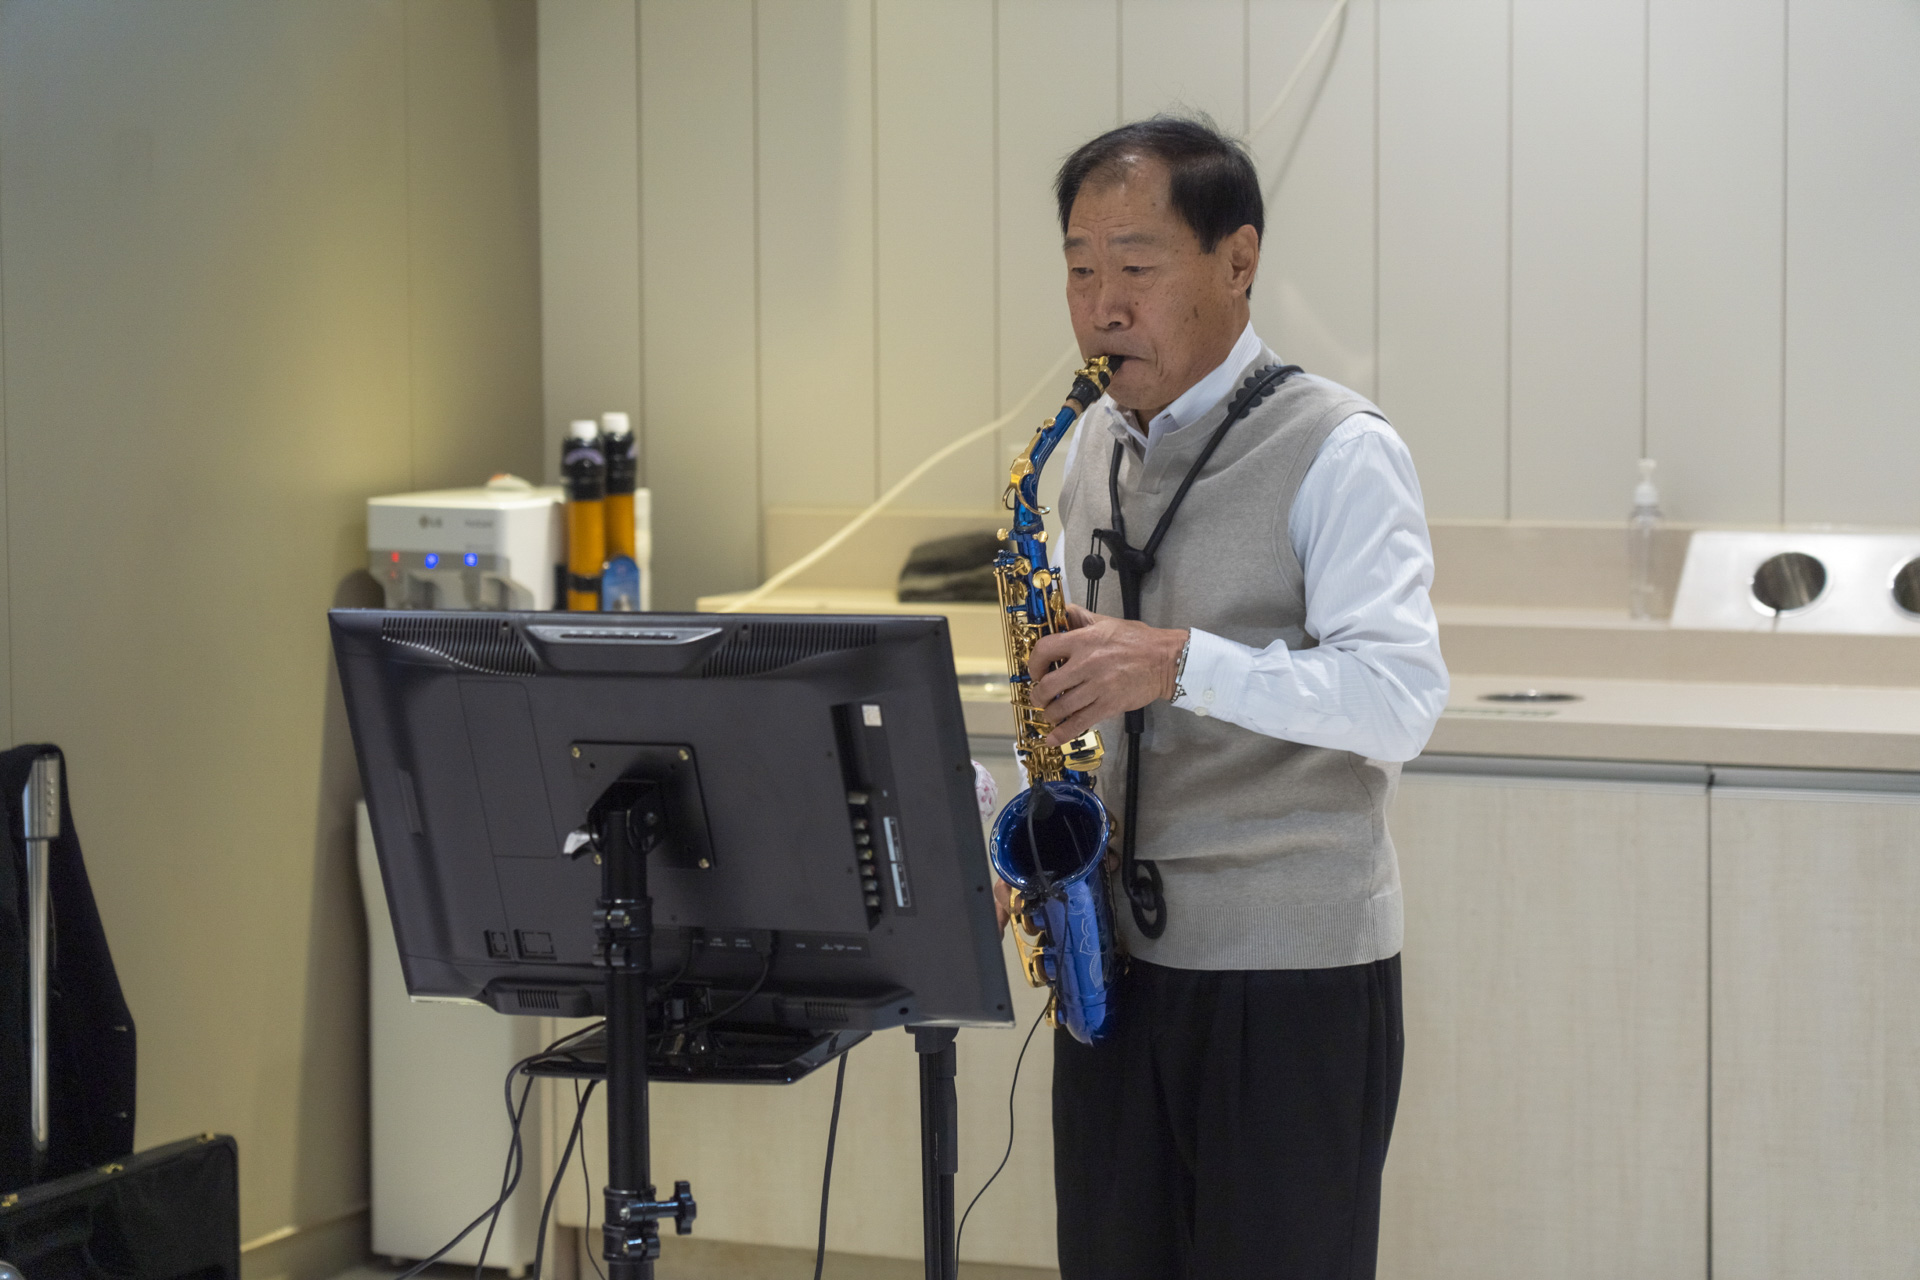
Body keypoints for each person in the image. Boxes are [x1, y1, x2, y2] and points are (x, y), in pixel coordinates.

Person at [1008, 115, 1448, 1279]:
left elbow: (1400, 695)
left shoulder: (1341, 447)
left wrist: (1180, 662)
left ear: (1238, 261)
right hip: (1112, 969)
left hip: (1289, 978)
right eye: (1080, 269)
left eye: (1136, 267)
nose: (1103, 306)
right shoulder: (1086, 449)